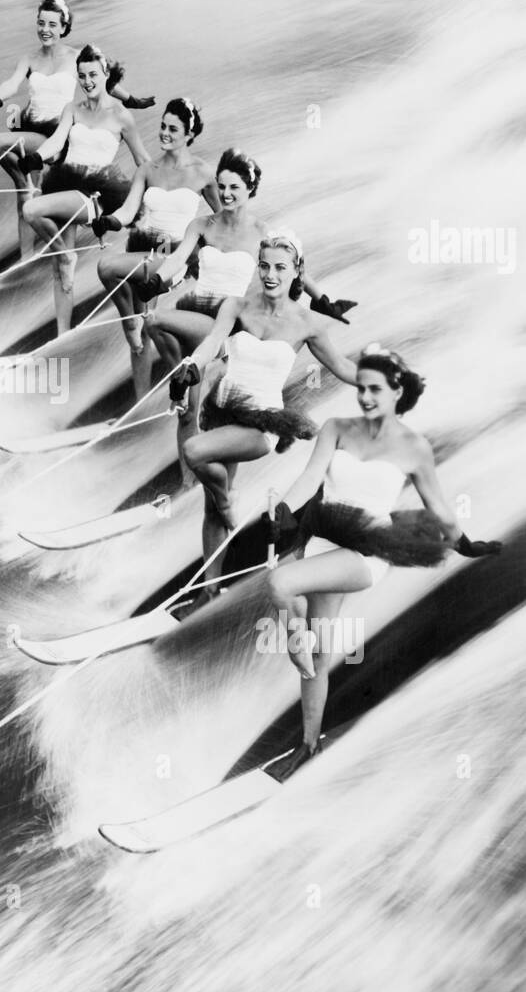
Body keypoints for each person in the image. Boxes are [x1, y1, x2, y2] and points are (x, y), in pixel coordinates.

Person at [261, 344, 503, 779]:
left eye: (375, 389)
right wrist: (285, 513)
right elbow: (310, 477)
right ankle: (308, 744)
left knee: (280, 585)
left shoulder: (414, 449)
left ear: (396, 391)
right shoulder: (335, 427)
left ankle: (294, 649)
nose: (366, 397)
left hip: (365, 554)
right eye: (361, 387)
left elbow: (441, 509)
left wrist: (465, 545)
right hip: (321, 545)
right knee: (321, 652)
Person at [170, 231, 359, 590]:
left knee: (193, 451)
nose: (270, 275)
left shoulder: (307, 323)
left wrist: (390, 382)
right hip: (223, 413)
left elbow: (344, 368)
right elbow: (212, 342)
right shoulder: (236, 306)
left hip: (263, 426)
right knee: (209, 511)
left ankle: (228, 503)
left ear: (296, 271)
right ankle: (208, 590)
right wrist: (193, 365)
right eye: (265, 266)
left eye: (280, 268)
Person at [136, 149, 356, 423]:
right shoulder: (201, 225)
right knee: (153, 324)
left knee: (156, 323)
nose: (226, 193)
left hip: (227, 321)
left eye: (234, 187)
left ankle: (196, 378)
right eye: (222, 186)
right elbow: (178, 258)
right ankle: (186, 377)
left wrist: (325, 301)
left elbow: (295, 267)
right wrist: (158, 280)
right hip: (196, 311)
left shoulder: (262, 233)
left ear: (250, 189)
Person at [0, 0, 152, 259]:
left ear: (63, 27)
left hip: (60, 136)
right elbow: (11, 84)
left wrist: (132, 100)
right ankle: (26, 258)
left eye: (52, 25)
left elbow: (104, 80)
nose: (45, 30)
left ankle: (64, 246)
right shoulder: (29, 58)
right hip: (32, 130)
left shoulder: (77, 56)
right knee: (25, 195)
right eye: (41, 23)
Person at [19, 44, 151, 335]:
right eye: (81, 75)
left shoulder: (121, 116)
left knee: (31, 209)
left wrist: (156, 196)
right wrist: (37, 157)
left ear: (105, 74)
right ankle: (62, 335)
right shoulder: (72, 109)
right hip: (66, 185)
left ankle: (66, 255)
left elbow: (144, 162)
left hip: (96, 195)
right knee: (61, 270)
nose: (87, 81)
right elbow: (56, 141)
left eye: (93, 74)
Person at [92, 98, 218, 398]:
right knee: (145, 331)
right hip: (142, 251)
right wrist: (107, 221)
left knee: (106, 267)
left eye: (173, 129)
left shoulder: (203, 173)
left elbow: (221, 221)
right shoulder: (148, 169)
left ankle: (135, 330)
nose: (164, 133)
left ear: (189, 134)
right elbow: (127, 212)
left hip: (172, 259)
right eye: (162, 126)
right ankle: (139, 402)